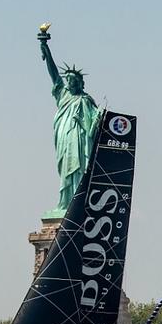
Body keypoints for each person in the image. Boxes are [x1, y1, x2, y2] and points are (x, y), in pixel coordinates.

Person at [40, 30, 102, 216]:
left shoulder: (86, 100)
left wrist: (98, 119)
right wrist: (45, 48)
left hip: (81, 139)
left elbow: (94, 125)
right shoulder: (63, 94)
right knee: (66, 168)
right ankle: (65, 202)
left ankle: (79, 202)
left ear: (81, 83)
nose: (70, 82)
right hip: (65, 136)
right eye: (68, 80)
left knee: (80, 167)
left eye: (74, 80)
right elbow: (53, 74)